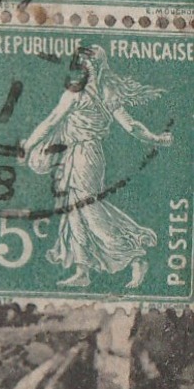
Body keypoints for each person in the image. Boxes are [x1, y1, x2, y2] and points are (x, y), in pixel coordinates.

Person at [21, 45, 171, 289]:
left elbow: (129, 125)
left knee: (89, 209)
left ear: (98, 65)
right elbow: (51, 122)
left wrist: (155, 139)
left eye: (87, 63)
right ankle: (82, 271)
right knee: (74, 210)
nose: (83, 67)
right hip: (75, 153)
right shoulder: (87, 91)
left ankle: (134, 254)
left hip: (86, 155)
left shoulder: (88, 93)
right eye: (80, 62)